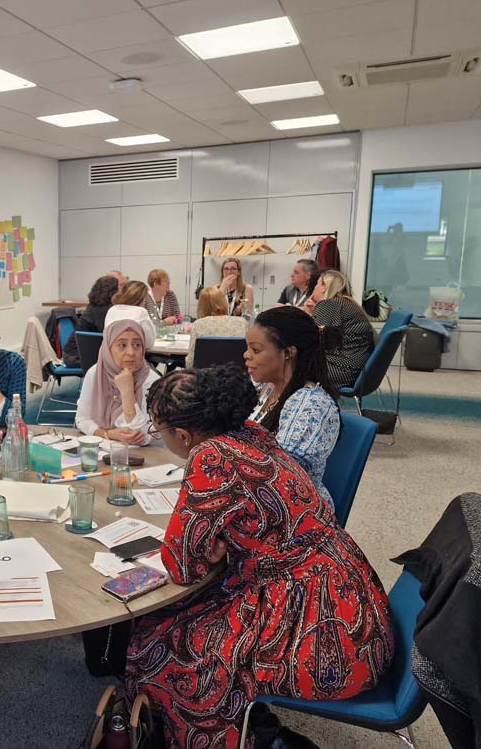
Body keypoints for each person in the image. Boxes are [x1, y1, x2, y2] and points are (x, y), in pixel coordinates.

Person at [126, 364, 393, 749]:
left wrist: (210, 541)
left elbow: (182, 565)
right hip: (350, 597)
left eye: (159, 429)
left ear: (182, 435)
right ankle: (245, 726)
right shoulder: (251, 433)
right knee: (170, 620)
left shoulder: (211, 457)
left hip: (327, 636)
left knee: (168, 648)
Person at [245, 306, 341, 509]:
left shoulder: (312, 406)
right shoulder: (263, 386)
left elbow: (282, 479)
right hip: (255, 500)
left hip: (294, 516)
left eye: (256, 350)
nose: (246, 355)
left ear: (288, 353)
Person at [75, 305, 160, 446]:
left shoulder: (152, 381)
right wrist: (107, 434)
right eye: (122, 345)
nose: (131, 353)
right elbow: (82, 419)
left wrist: (127, 393)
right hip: (103, 451)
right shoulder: (95, 373)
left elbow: (142, 437)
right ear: (108, 348)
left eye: (137, 345)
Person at [306, 270, 375, 390]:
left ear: (324, 286)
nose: (314, 287)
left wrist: (304, 316)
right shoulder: (345, 303)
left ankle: (284, 406)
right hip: (355, 369)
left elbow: (312, 339)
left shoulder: (329, 304)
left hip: (340, 370)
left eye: (317, 284)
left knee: (287, 364)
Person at [62, 275, 118, 369]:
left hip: (73, 354)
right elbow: (108, 335)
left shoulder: (94, 306)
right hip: (75, 357)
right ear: (112, 292)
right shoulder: (101, 310)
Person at [187, 286, 248, 367]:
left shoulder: (198, 324)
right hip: (236, 376)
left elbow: (191, 362)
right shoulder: (242, 323)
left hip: (205, 377)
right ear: (223, 302)